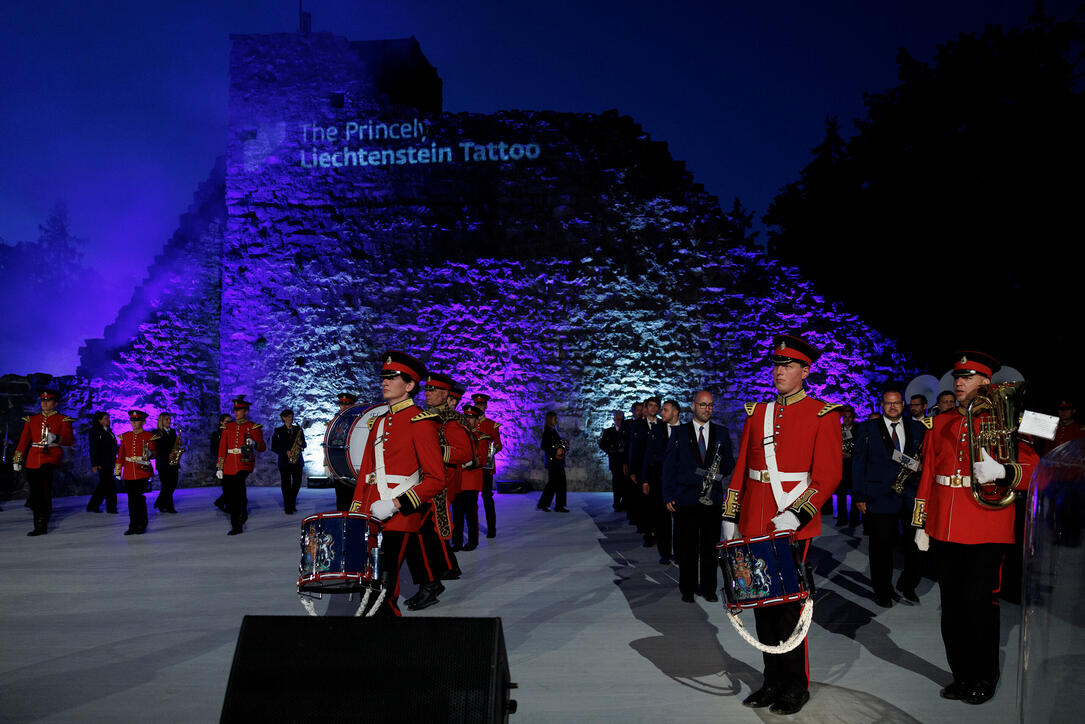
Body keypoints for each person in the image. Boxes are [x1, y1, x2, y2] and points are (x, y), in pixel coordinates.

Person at [722, 334, 842, 716]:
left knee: (789, 609)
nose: (779, 372)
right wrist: (730, 515)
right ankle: (771, 681)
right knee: (761, 607)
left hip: (791, 524)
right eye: (776, 365)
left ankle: (795, 685)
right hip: (754, 522)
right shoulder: (757, 413)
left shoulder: (823, 414)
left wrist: (797, 513)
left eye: (788, 365)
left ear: (805, 371)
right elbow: (741, 469)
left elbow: (828, 476)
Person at [911, 351, 1038, 705]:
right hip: (945, 527)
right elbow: (928, 475)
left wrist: (1004, 472)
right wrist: (922, 523)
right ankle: (962, 675)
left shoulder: (1009, 419)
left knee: (979, 605)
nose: (959, 383)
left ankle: (984, 676)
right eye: (957, 377)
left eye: (967, 378)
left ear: (986, 382)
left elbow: (1034, 469)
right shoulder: (939, 422)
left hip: (986, 527)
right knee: (951, 607)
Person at [347, 350, 447, 617]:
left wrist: (394, 504)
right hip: (371, 512)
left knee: (383, 589)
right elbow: (366, 473)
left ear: (410, 385)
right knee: (367, 585)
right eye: (384, 377)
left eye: (392, 377)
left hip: (399, 515)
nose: (384, 382)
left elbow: (437, 479)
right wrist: (357, 512)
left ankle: (387, 636)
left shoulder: (421, 423)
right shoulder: (378, 422)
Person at [403, 371, 475, 611]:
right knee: (425, 534)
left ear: (446, 394)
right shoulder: (425, 417)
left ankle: (430, 583)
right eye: (427, 389)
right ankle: (436, 577)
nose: (428, 394)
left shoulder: (452, 421)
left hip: (438, 487)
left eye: (433, 390)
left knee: (418, 532)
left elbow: (466, 453)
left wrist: (434, 452)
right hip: (420, 484)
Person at [852, 388, 929, 606]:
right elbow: (858, 462)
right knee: (881, 549)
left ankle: (908, 585)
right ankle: (883, 591)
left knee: (916, 547)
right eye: (888, 403)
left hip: (911, 496)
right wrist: (859, 495)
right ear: (882, 405)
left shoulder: (918, 427)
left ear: (903, 405)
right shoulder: (868, 428)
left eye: (896, 403)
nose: (892, 406)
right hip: (879, 496)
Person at [662, 391, 734, 596]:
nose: (707, 409)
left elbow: (729, 461)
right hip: (686, 498)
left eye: (710, 405)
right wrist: (668, 495)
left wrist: (719, 472)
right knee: (687, 547)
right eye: (703, 405)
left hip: (712, 498)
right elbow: (669, 466)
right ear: (693, 406)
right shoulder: (679, 432)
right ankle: (688, 589)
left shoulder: (721, 432)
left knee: (710, 547)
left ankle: (709, 590)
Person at [13, 389, 75, 536]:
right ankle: (39, 516)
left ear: (55, 403)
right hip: (33, 457)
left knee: (43, 489)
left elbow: (69, 440)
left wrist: (55, 438)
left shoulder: (63, 419)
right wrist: (17, 459)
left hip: (51, 456)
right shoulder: (32, 420)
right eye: (43, 401)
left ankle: (41, 524)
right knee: (36, 492)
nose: (45, 404)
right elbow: (23, 442)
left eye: (48, 401)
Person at [216, 396, 266, 535]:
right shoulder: (228, 427)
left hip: (245, 462)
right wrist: (220, 467)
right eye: (235, 410)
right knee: (232, 494)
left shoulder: (253, 427)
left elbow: (262, 447)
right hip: (229, 464)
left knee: (236, 488)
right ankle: (241, 512)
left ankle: (237, 525)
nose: (236, 413)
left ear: (246, 411)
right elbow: (222, 448)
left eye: (239, 410)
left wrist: (255, 443)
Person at [643, 399, 682, 564]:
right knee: (662, 520)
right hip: (659, 481)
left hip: (680, 484)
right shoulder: (656, 430)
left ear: (675, 412)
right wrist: (645, 480)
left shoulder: (686, 431)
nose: (661, 413)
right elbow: (648, 455)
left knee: (680, 521)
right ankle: (664, 553)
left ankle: (679, 553)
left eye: (665, 410)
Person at [114, 410, 157, 535]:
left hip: (142, 471)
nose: (134, 423)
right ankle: (132, 525)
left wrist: (150, 453)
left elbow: (154, 453)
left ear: (143, 422)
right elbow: (120, 455)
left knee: (138, 498)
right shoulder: (125, 436)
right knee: (131, 499)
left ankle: (142, 523)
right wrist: (117, 471)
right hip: (128, 472)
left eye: (137, 420)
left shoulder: (149, 436)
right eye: (132, 420)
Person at [454, 404, 487, 551]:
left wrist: (466, 463)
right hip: (458, 480)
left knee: (471, 514)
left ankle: (473, 541)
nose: (468, 420)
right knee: (457, 514)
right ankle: (457, 542)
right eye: (466, 417)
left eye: (471, 418)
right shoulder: (458, 434)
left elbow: (483, 459)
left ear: (477, 420)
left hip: (471, 481)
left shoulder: (481, 437)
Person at [629, 396, 661, 544]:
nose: (653, 408)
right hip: (642, 469)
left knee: (658, 503)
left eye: (656, 405)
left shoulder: (662, 424)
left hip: (659, 470)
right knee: (645, 501)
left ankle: (658, 532)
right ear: (646, 408)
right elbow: (633, 448)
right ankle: (647, 534)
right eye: (651, 405)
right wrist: (632, 470)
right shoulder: (637, 426)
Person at [471, 393, 501, 538]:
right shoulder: (469, 423)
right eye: (477, 404)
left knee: (487, 497)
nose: (479, 407)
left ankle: (491, 528)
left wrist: (493, 450)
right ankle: (473, 530)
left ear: (486, 406)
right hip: (472, 467)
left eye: (481, 404)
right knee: (471, 500)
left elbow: (498, 443)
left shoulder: (491, 424)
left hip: (486, 467)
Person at [271, 409, 306, 514]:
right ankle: (288, 507)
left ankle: (291, 502)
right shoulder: (278, 431)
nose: (291, 419)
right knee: (286, 485)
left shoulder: (298, 429)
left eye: (292, 417)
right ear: (283, 418)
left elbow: (304, 445)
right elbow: (274, 447)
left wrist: (301, 443)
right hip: (284, 462)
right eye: (289, 417)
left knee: (297, 484)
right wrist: (285, 452)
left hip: (297, 461)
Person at [833, 404, 861, 527]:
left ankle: (854, 519)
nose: (847, 419)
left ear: (853, 418)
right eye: (845, 417)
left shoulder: (859, 429)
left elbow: (862, 448)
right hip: (841, 467)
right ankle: (842, 518)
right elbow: (832, 445)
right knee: (840, 494)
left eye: (849, 417)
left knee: (855, 493)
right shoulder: (837, 429)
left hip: (854, 466)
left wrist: (851, 456)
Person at [86, 411, 119, 514]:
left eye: (108, 418)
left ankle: (93, 505)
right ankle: (110, 508)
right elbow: (93, 448)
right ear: (99, 420)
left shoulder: (109, 431)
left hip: (110, 462)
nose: (108, 420)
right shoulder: (95, 432)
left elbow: (113, 446)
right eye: (105, 418)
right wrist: (95, 463)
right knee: (109, 485)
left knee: (104, 485)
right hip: (102, 463)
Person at [331, 392, 359, 511]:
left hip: (351, 462)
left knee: (352, 496)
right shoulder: (336, 420)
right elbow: (329, 442)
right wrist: (327, 462)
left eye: (346, 404)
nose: (343, 407)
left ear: (352, 405)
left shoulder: (357, 419)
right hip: (338, 462)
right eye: (341, 404)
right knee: (340, 496)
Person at [537, 411, 568, 512]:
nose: (557, 420)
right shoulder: (547, 432)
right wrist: (556, 448)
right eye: (555, 419)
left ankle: (555, 505)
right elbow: (544, 446)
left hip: (557, 462)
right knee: (554, 483)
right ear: (550, 419)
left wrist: (562, 445)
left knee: (559, 483)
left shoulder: (553, 431)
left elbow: (556, 444)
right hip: (553, 462)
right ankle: (547, 504)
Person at [598, 411, 630, 512]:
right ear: (614, 420)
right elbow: (602, 444)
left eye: (621, 419)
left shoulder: (628, 431)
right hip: (615, 461)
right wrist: (610, 451)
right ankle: (616, 503)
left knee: (625, 483)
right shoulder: (609, 431)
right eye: (618, 419)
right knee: (616, 483)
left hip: (625, 460)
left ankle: (625, 503)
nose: (620, 421)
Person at [151, 412, 181, 514]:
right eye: (166, 419)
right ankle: (169, 507)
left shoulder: (172, 431)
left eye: (169, 419)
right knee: (166, 485)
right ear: (161, 421)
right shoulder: (156, 433)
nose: (169, 421)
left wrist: (178, 443)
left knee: (173, 484)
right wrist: (167, 455)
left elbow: (174, 445)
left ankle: (160, 502)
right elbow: (156, 448)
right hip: (163, 463)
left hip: (173, 462)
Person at [210, 413, 231, 511]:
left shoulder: (232, 433)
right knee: (226, 485)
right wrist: (220, 462)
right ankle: (226, 505)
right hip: (222, 462)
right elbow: (213, 450)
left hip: (231, 462)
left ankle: (221, 502)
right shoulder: (216, 434)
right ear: (221, 422)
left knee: (231, 485)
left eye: (230, 421)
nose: (229, 423)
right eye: (227, 422)